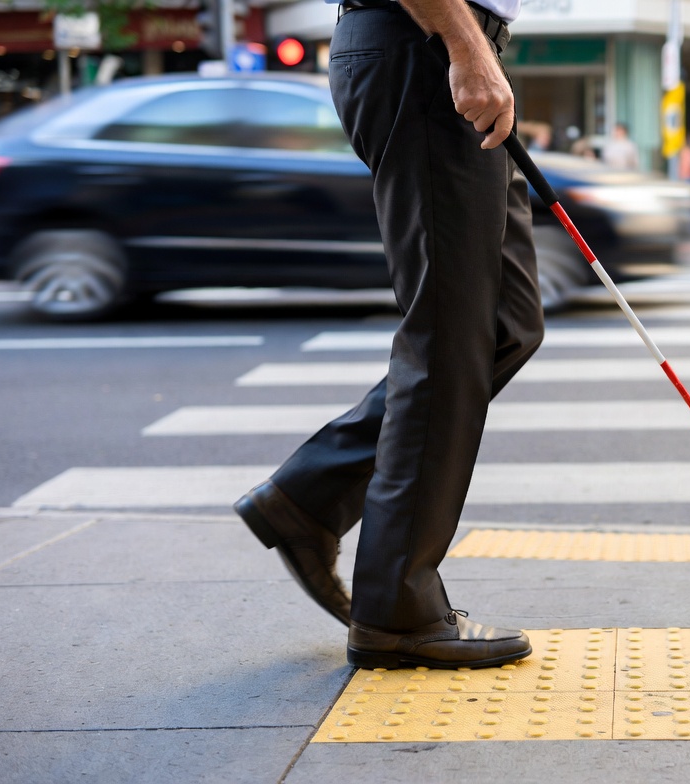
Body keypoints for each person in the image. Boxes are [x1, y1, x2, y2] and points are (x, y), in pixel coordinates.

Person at [233, 0, 543, 671]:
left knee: (502, 325)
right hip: (426, 44)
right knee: (447, 338)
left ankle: (307, 498)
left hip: (443, 47)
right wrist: (464, 44)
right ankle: (396, 610)